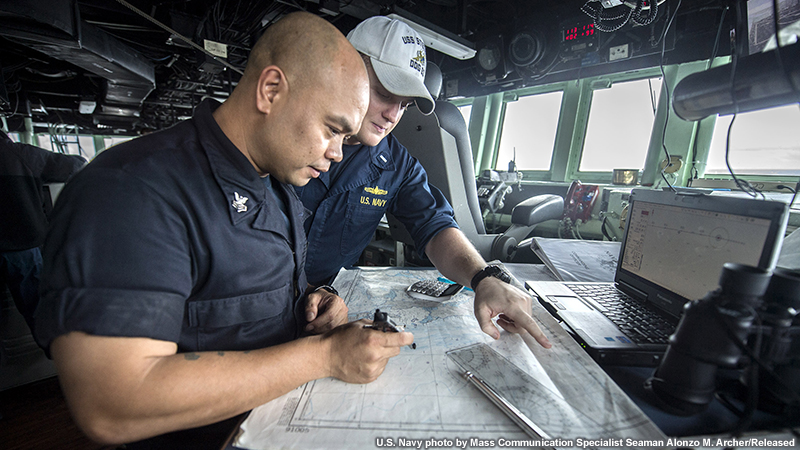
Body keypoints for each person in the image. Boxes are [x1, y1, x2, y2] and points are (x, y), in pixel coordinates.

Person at [34, 12, 412, 449]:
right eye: (331, 130)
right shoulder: (133, 190)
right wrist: (325, 356)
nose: (334, 154)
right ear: (271, 90)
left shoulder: (277, 186)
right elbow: (114, 402)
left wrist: (310, 300)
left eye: (343, 139)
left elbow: (239, 292)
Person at [296, 16, 552, 349]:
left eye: (404, 105)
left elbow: (435, 226)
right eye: (386, 93)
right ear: (345, 69)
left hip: (327, 313)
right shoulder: (289, 139)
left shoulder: (396, 164)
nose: (393, 115)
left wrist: (484, 277)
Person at [0, 129, 85, 339]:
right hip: (22, 246)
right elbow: (75, 165)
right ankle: (58, 356)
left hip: (20, 247)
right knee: (38, 309)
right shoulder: (17, 153)